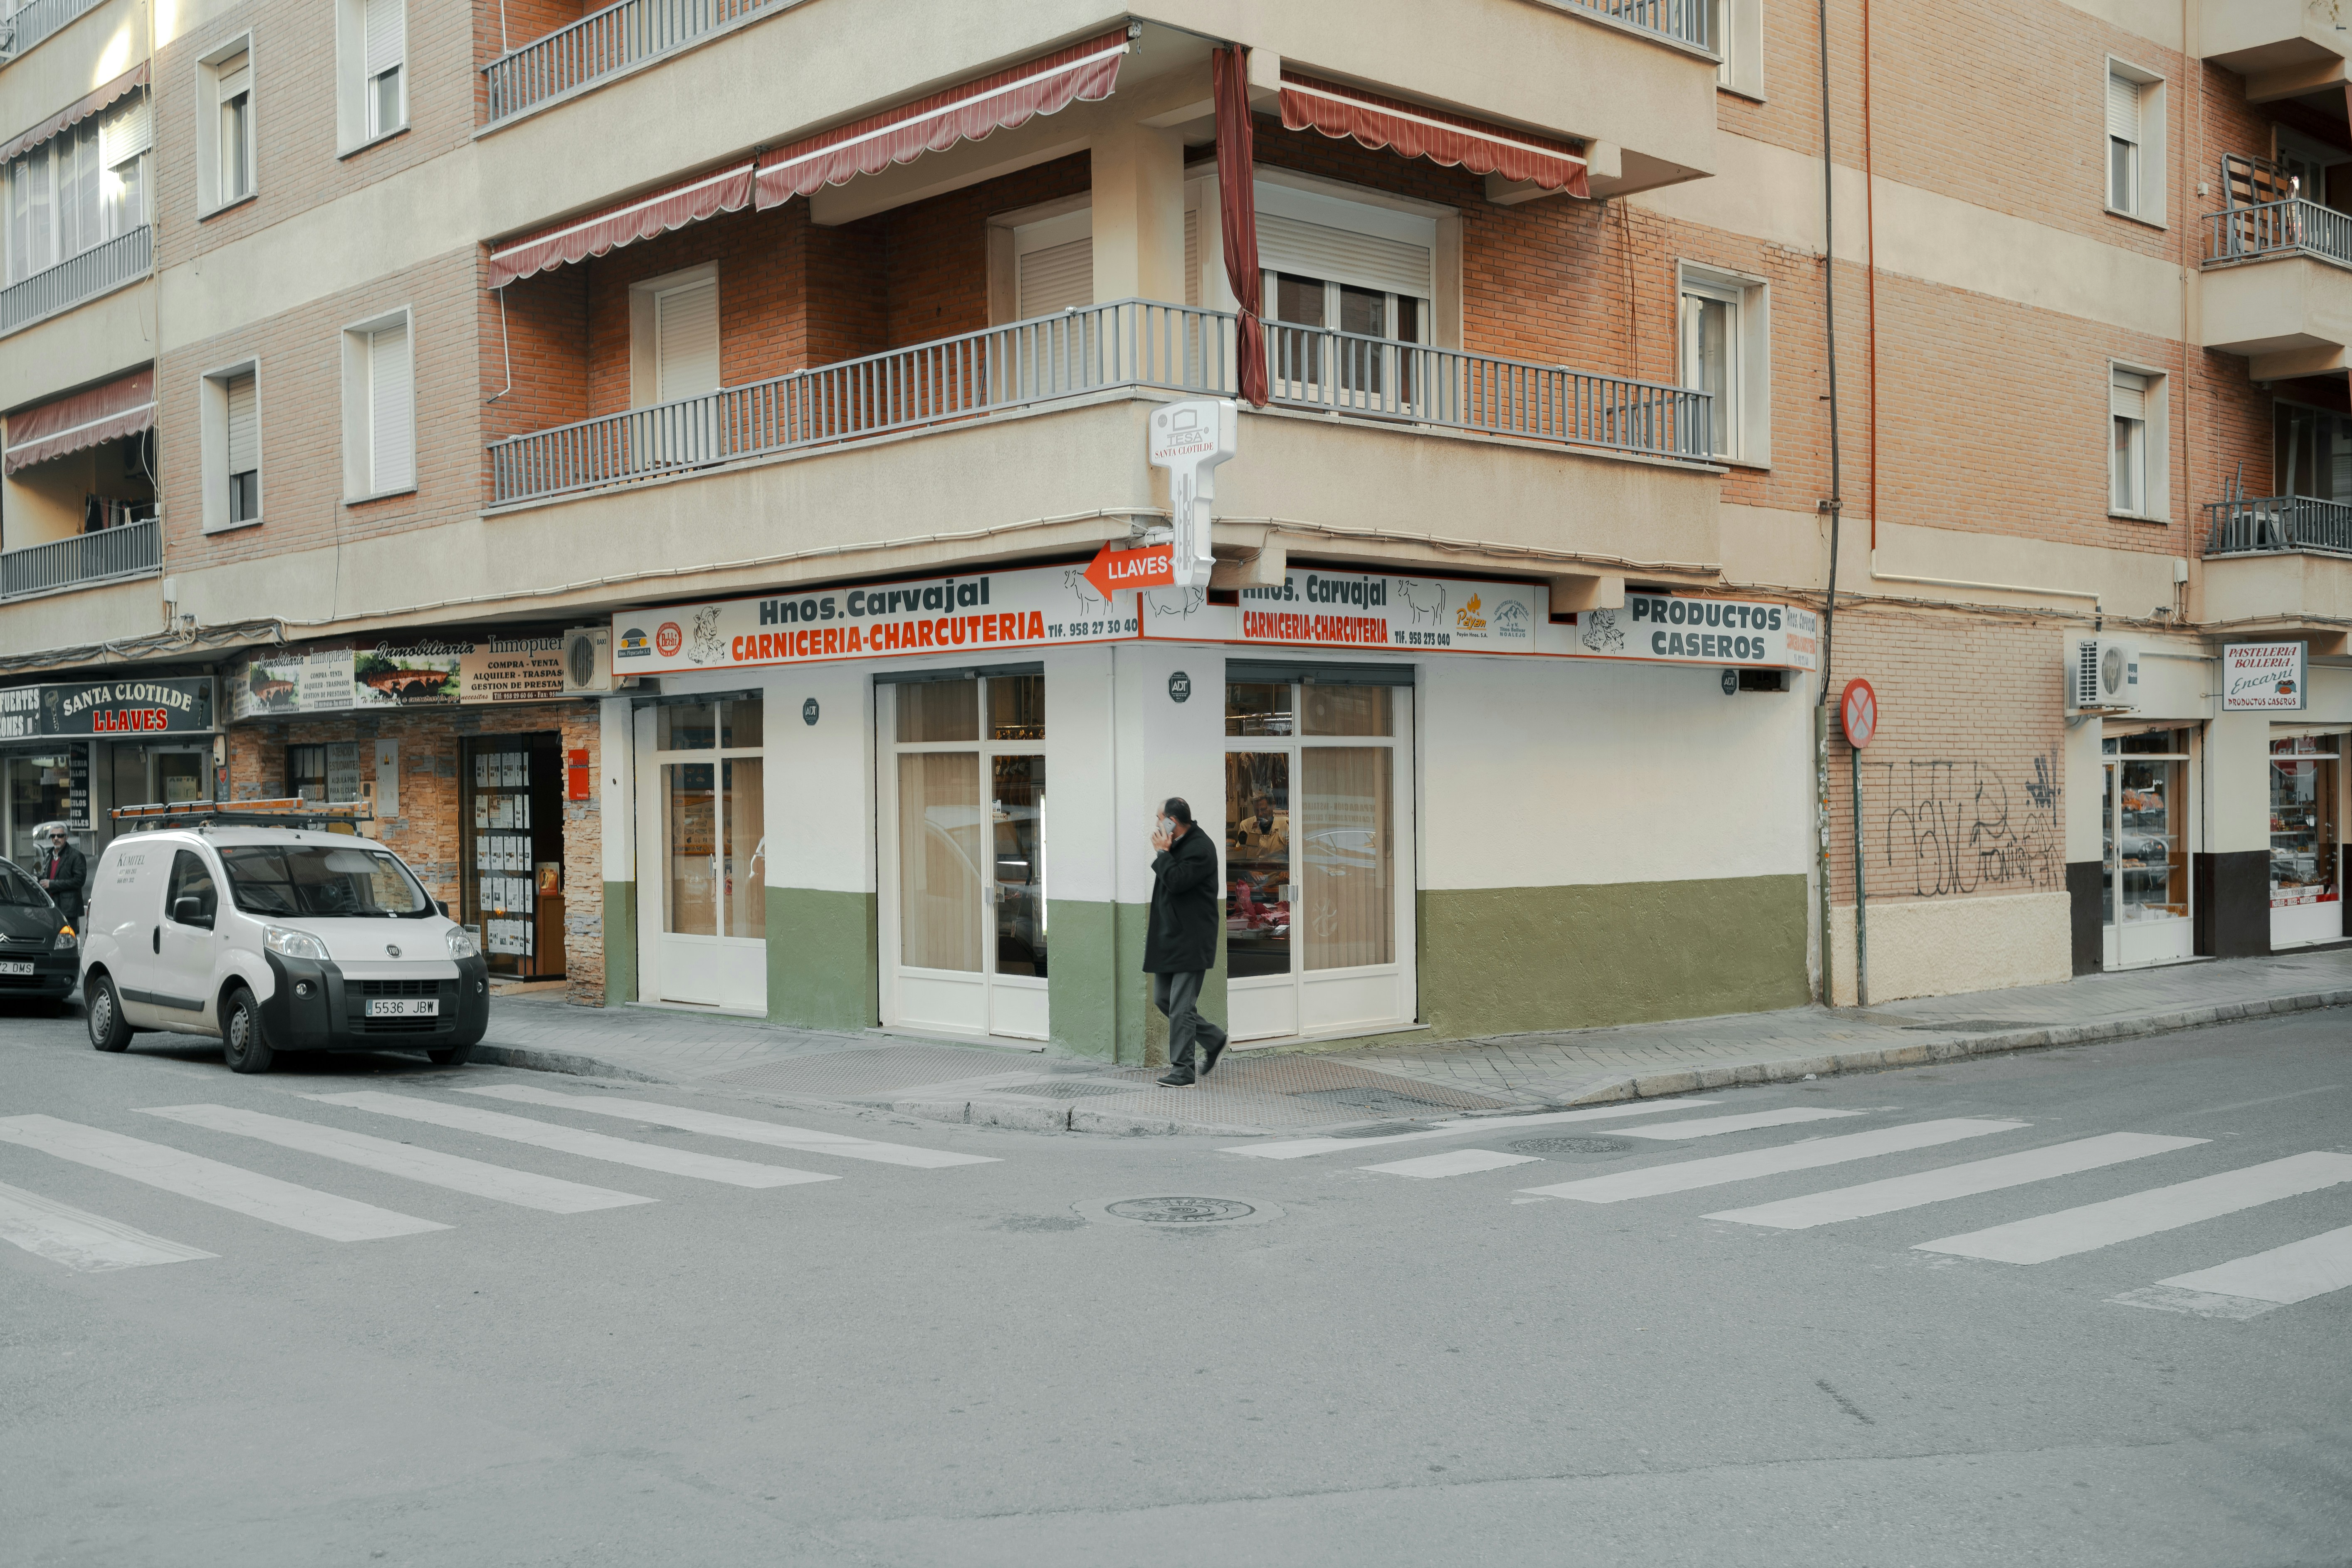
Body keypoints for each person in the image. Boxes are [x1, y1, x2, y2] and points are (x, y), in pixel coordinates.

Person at [1146, 796, 1228, 1087]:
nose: (1156, 824)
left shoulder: (1201, 848)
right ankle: (1214, 1038)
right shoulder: (1178, 845)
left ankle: (1183, 1071)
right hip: (1171, 939)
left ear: (1173, 822)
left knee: (1181, 1006)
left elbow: (1178, 881)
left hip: (1192, 940)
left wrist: (1162, 853)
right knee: (1163, 999)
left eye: (1159, 818)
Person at [33, 823, 85, 925]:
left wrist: (51, 884)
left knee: (68, 939)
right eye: (53, 836)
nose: (56, 838)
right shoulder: (50, 855)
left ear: (66, 837)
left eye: (60, 836)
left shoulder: (76, 856)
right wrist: (38, 879)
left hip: (68, 908)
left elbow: (79, 881)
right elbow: (50, 876)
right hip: (52, 907)